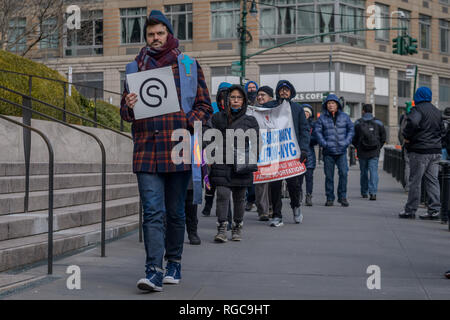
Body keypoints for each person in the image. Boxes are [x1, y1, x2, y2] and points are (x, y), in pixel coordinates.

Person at [120, 10, 212, 292]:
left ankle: (174, 262)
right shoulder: (134, 67)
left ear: (169, 34)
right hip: (147, 150)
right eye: (150, 34)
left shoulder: (188, 65)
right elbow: (125, 114)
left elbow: (204, 106)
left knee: (174, 212)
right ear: (145, 37)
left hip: (179, 148)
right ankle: (153, 270)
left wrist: (190, 120)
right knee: (152, 212)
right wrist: (129, 104)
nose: (155, 38)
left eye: (160, 33)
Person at [207, 85, 259, 242]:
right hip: (221, 163)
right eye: (233, 97)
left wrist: (251, 157)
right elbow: (208, 137)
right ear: (227, 99)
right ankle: (222, 227)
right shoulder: (217, 118)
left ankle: (237, 226)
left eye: (239, 98)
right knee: (222, 195)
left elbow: (257, 143)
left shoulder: (250, 120)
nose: (235, 101)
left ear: (243, 101)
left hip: (241, 165)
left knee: (239, 198)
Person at [267, 80, 310, 227]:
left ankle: (296, 205)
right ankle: (277, 215)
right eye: (281, 90)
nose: (284, 92)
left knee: (294, 184)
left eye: (287, 90)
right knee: (275, 186)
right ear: (277, 92)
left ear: (291, 93)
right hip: (274, 152)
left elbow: (304, 129)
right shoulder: (271, 107)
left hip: (292, 152)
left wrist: (303, 149)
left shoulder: (297, 109)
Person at [399, 87, 443, 220]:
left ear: (417, 96)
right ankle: (434, 210)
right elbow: (443, 129)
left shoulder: (417, 109)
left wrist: (407, 136)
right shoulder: (436, 111)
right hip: (435, 150)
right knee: (432, 180)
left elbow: (412, 122)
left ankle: (410, 210)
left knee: (415, 181)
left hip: (420, 150)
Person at [314, 94, 354, 207]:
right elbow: (317, 132)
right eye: (329, 103)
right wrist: (324, 144)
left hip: (341, 151)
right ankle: (330, 198)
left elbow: (351, 130)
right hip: (328, 152)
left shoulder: (345, 117)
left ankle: (342, 197)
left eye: (333, 103)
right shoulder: (322, 118)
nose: (331, 105)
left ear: (337, 105)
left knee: (344, 174)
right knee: (329, 176)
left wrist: (346, 142)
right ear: (326, 105)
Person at [352, 104, 386, 201]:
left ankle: (364, 192)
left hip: (362, 151)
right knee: (373, 171)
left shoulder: (358, 123)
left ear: (363, 111)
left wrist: (357, 147)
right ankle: (373, 192)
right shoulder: (379, 122)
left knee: (363, 172)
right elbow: (383, 137)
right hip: (374, 151)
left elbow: (353, 138)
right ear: (372, 111)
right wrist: (378, 147)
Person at [253, 86, 275, 221]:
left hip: (273, 149)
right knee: (260, 181)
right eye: (258, 95)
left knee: (273, 181)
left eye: (263, 95)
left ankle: (272, 206)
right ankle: (263, 211)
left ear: (270, 98)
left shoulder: (276, 111)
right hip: (259, 150)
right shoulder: (253, 111)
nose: (260, 97)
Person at [299, 104, 317, 206]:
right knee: (299, 178)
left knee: (309, 178)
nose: (305, 114)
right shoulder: (297, 124)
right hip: (299, 156)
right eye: (304, 112)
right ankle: (299, 194)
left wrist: (306, 139)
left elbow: (316, 139)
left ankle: (309, 195)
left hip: (310, 155)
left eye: (307, 113)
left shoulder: (313, 125)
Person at [398, 106, 411, 192]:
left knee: (408, 165)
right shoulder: (418, 117)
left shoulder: (405, 118)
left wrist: (402, 143)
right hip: (418, 146)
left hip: (407, 145)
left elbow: (400, 133)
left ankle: (408, 187)